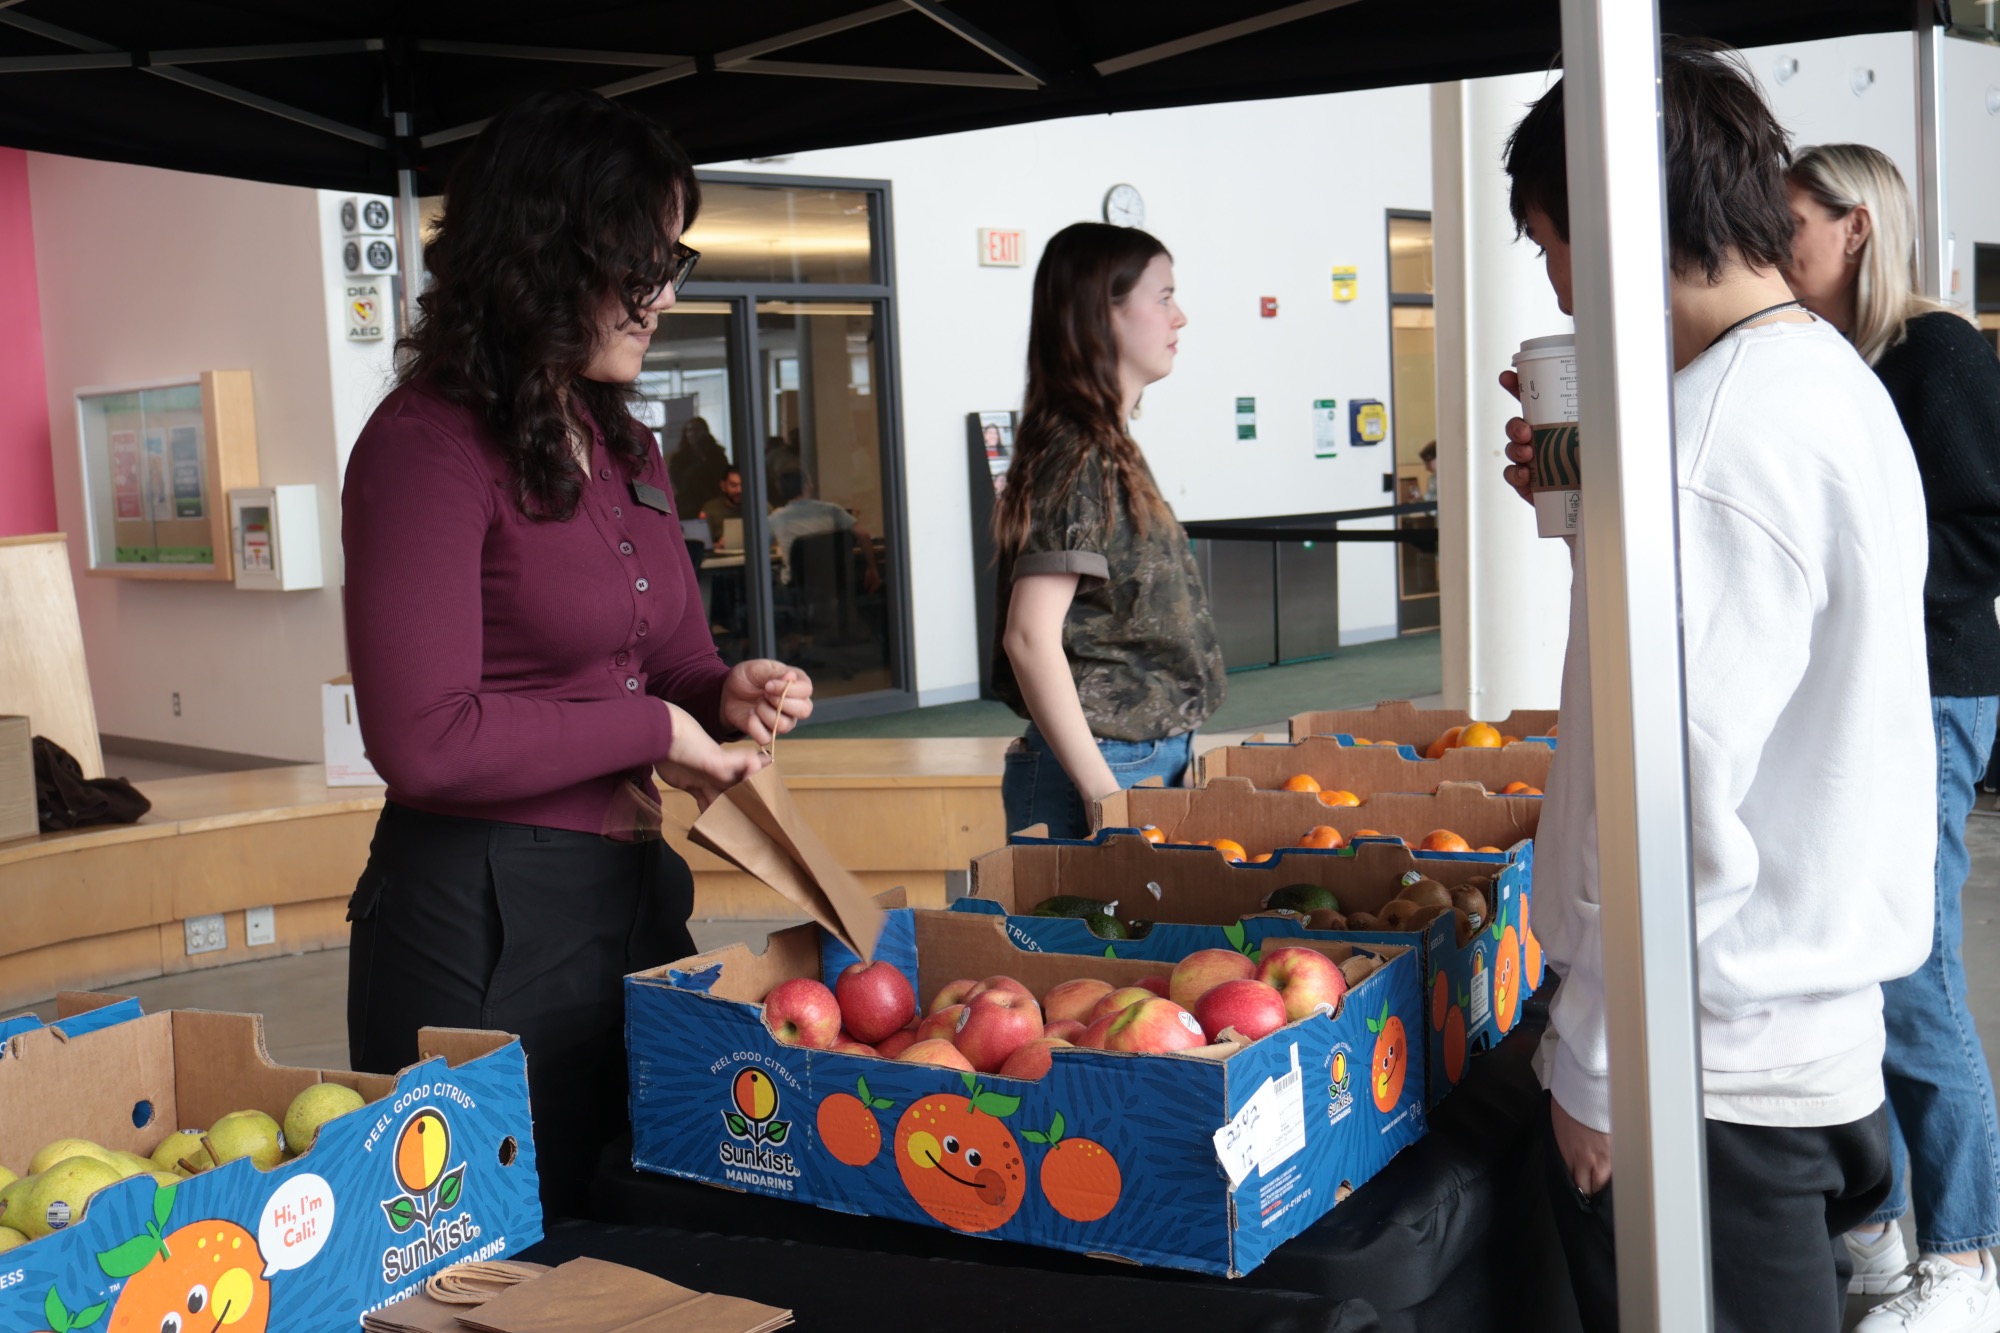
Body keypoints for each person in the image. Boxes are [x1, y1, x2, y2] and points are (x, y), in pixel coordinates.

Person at [1496, 41, 1935, 1332]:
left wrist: (1595, 1067)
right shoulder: (1827, 384)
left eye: (1549, 243)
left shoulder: (1712, 442)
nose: (1558, 285)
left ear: (1610, 219)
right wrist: (1595, 526)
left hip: (1704, 1081)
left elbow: (1667, 795)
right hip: (1803, 1043)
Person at [339, 89, 813, 1217]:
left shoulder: (626, 441)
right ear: (547, 252)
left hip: (632, 897)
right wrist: (654, 726)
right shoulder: (424, 444)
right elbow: (423, 739)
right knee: (505, 1251)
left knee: (650, 1217)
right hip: (479, 921)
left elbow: (671, 661)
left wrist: (724, 691)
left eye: (672, 259)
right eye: (642, 260)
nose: (666, 293)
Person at [1783, 142, 2000, 1330]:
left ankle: (1965, 1260)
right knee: (1854, 967)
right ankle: (1883, 1243)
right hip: (1863, 691)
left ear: (1854, 228)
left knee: (1915, 973)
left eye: (1790, 224)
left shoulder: (1935, 350)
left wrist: (1856, 581)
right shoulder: (1828, 357)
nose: (1771, 248)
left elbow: (1984, 530)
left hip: (1930, 690)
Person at [990, 222, 1224, 839]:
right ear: (1103, 313)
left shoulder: (1106, 446)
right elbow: (1028, 636)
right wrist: (1106, 798)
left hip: (1138, 755)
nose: (1180, 317)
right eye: (1164, 297)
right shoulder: (1078, 453)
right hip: (1107, 764)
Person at [668, 416, 729, 518]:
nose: (693, 433)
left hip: (715, 506)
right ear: (685, 434)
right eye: (690, 430)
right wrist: (701, 461)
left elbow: (723, 478)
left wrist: (706, 456)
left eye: (698, 429)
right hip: (688, 507)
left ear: (705, 432)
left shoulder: (717, 455)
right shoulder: (678, 459)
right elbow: (682, 484)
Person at [701, 465, 744, 543]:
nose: (739, 490)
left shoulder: (761, 507)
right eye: (733, 485)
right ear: (723, 486)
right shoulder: (711, 509)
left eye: (743, 485)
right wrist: (718, 545)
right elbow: (703, 544)